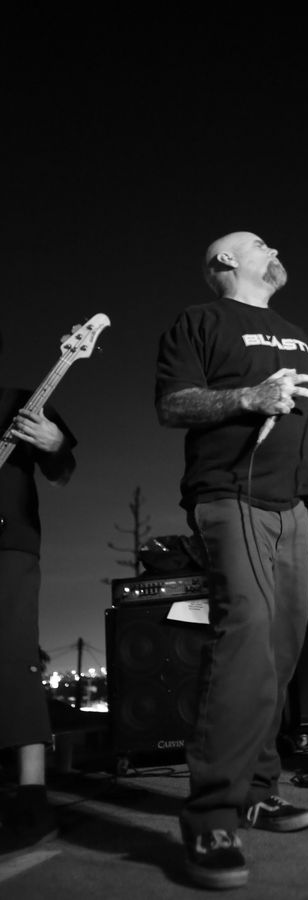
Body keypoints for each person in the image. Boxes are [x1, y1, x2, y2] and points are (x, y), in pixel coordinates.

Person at [155, 231, 308, 890]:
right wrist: (247, 398)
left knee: (280, 651)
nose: (274, 248)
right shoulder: (199, 321)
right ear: (226, 261)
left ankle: (260, 790)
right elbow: (173, 403)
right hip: (231, 496)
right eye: (259, 243)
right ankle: (211, 814)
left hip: (296, 509)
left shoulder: (297, 332)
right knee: (245, 638)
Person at [0, 332, 76, 852]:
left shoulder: (21, 402)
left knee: (13, 657)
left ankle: (32, 797)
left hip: (9, 545)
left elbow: (63, 471)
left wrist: (54, 445)